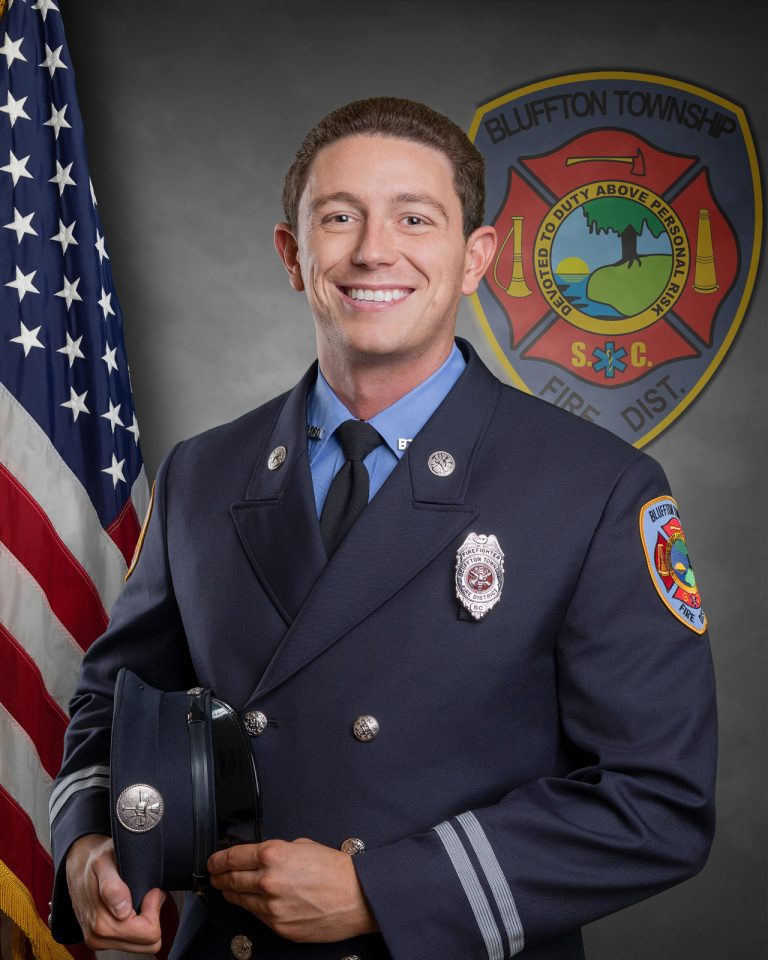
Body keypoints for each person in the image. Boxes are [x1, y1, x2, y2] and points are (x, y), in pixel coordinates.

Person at [50, 97, 717, 960]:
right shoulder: (202, 475)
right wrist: (89, 848)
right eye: (338, 218)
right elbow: (112, 706)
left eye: (415, 217)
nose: (373, 250)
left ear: (476, 257)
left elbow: (657, 802)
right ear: (293, 256)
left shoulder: (595, 488)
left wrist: (386, 892)